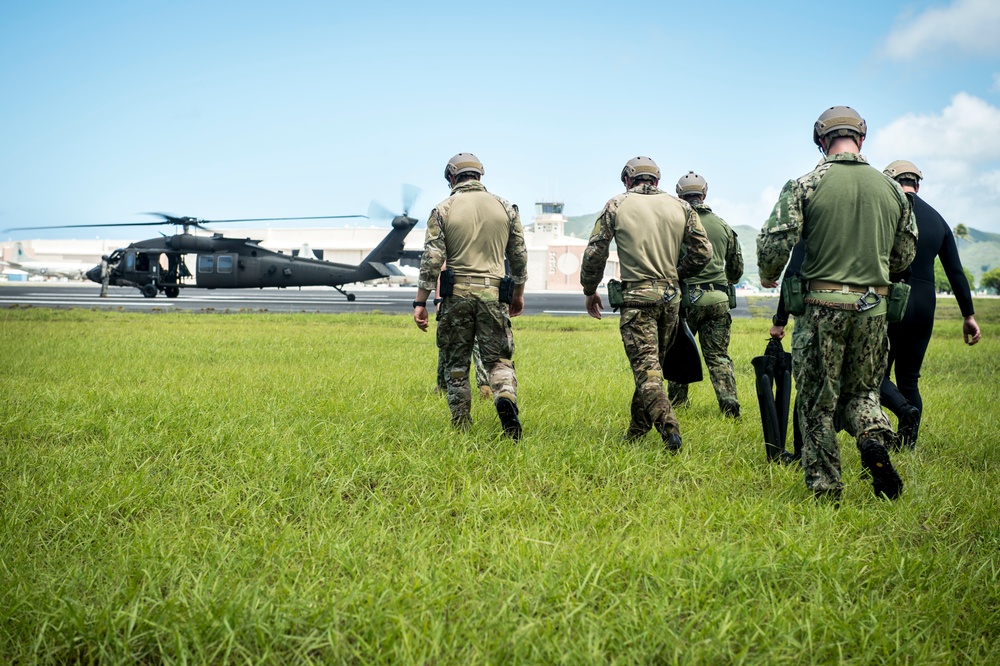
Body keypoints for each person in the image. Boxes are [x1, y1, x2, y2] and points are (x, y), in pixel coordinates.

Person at [757, 106, 917, 501]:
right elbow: (904, 255)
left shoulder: (805, 184)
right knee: (862, 393)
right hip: (874, 309)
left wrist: (767, 273)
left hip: (821, 307)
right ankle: (871, 440)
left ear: (821, 140)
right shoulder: (894, 190)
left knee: (817, 401)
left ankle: (827, 488)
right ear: (861, 139)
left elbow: (775, 242)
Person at [581, 156, 712, 452]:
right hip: (670, 299)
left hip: (637, 299)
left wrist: (590, 289)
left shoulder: (617, 205)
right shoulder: (681, 206)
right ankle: (636, 432)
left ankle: (670, 432)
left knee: (647, 370)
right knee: (652, 367)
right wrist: (677, 274)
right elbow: (703, 252)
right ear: (657, 181)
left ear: (627, 180)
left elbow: (595, 253)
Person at [413, 153, 528, 439]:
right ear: (480, 175)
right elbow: (519, 256)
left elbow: (432, 259)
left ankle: (462, 427)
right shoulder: (505, 207)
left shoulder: (443, 209)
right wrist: (518, 294)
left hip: (457, 296)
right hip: (494, 294)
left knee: (456, 364)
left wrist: (421, 301)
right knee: (499, 360)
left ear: (452, 178)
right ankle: (504, 395)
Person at [879, 160, 981, 449]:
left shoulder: (887, 213)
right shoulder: (938, 220)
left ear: (890, 183)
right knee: (909, 380)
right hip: (924, 305)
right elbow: (956, 273)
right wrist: (968, 315)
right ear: (918, 184)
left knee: (874, 375)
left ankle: (891, 421)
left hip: (889, 301)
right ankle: (907, 446)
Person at [667, 171, 744, 418]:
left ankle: (677, 404)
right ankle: (729, 402)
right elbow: (736, 268)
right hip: (719, 300)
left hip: (687, 300)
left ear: (679, 195)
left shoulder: (675, 224)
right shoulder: (723, 225)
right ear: (704, 194)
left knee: (679, 352)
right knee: (718, 356)